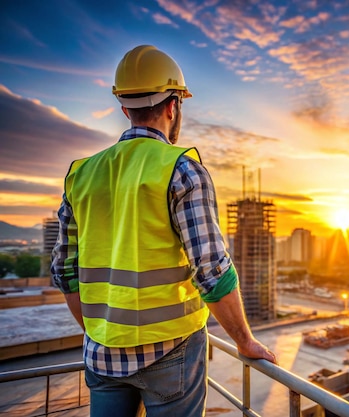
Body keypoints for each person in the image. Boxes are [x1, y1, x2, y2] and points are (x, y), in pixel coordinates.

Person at [51, 45, 277, 417]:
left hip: (102, 351)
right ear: (173, 106)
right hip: (170, 351)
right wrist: (245, 340)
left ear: (125, 108)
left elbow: (64, 271)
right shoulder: (182, 170)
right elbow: (212, 271)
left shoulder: (81, 175)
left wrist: (101, 329)